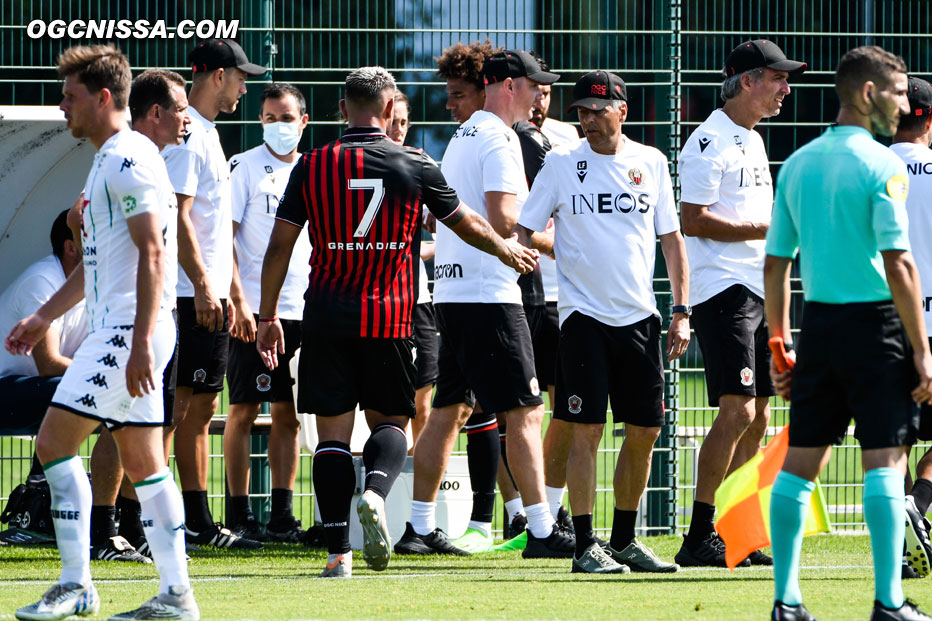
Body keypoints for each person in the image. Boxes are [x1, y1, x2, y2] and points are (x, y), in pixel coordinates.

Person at [256, 66, 537, 578]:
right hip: (389, 316)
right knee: (391, 422)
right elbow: (467, 223)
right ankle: (376, 493)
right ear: (390, 111)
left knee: (332, 438)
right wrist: (505, 248)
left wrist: (268, 313)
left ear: (343, 110)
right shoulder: (415, 162)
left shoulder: (313, 165)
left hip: (326, 315)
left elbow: (279, 246)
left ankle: (338, 552)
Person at [9, 44, 197, 620]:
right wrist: (44, 316)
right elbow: (99, 267)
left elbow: (153, 252)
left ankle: (76, 585)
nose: (62, 106)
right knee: (145, 464)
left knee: (53, 445)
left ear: (104, 97)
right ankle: (176, 596)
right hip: (127, 328)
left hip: (125, 333)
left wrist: (140, 338)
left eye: (70, 96)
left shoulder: (127, 158)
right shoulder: (108, 157)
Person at [765, 45, 932, 621]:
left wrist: (779, 342)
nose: (905, 103)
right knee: (885, 462)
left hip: (818, 327)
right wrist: (923, 350)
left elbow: (776, 263)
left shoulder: (798, 163)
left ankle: (786, 602)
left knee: (799, 465)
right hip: (876, 328)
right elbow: (900, 265)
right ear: (868, 94)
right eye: (898, 91)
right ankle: (888, 603)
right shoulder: (883, 166)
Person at [394, 49, 572, 560]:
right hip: (489, 295)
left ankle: (419, 527)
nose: (542, 94)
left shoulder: (464, 134)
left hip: (453, 292)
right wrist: (565, 240)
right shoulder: (498, 136)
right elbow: (505, 217)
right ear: (509, 84)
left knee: (449, 410)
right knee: (526, 410)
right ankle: (541, 530)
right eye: (535, 84)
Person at [517, 70, 687, 574]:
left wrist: (681, 311)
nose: (589, 120)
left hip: (641, 320)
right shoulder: (561, 163)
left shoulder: (651, 162)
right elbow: (525, 229)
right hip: (583, 319)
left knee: (645, 431)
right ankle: (584, 545)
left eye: (598, 110)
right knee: (586, 430)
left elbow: (672, 241)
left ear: (622, 111)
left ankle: (624, 540)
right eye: (582, 112)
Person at [676, 39, 805, 568]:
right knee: (739, 409)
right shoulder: (708, 141)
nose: (786, 88)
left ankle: (733, 529)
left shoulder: (750, 139)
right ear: (747, 81)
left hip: (758, 287)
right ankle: (699, 533)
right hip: (724, 291)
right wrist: (767, 229)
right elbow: (693, 219)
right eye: (777, 77)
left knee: (759, 418)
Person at [162, 38, 265, 550]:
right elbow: (178, 217)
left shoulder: (209, 133)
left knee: (199, 408)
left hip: (211, 297)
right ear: (219, 75)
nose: (246, 87)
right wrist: (204, 287)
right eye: (242, 76)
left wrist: (236, 298)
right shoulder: (188, 135)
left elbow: (215, 229)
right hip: (187, 296)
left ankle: (197, 522)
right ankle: (148, 522)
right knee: (175, 409)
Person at [223, 82, 311, 543]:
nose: (278, 126)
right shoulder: (244, 167)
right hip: (255, 311)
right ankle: (239, 514)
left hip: (303, 309)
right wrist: (241, 304)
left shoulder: (315, 170)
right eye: (269, 118)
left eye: (286, 117)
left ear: (304, 121)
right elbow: (226, 242)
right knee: (241, 410)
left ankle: (281, 515)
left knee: (287, 414)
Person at [891, 76, 932, 579]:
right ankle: (918, 505)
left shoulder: (872, 169)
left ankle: (901, 531)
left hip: (885, 319)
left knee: (891, 437)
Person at [389, 90, 438, 448]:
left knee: (423, 404)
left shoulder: (419, 166)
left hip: (417, 300)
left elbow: (435, 223)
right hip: (377, 302)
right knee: (389, 407)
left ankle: (420, 498)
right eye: (393, 122)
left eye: (404, 123)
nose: (399, 130)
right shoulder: (356, 165)